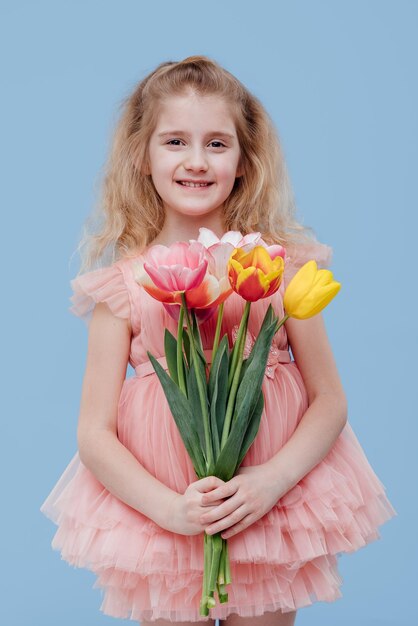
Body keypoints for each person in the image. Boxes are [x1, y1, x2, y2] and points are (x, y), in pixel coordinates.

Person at [40, 55, 396, 626]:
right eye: (175, 141)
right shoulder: (123, 287)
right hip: (168, 513)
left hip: (264, 506)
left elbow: (330, 399)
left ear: (244, 160)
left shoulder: (276, 268)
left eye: (217, 144)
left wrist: (271, 480)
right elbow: (93, 432)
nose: (197, 161)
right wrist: (168, 509)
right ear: (142, 155)